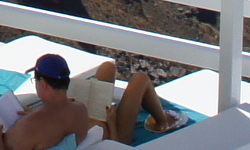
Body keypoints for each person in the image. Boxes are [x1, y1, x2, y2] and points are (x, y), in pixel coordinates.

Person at [55, 55, 192, 144]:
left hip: (92, 121)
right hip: (114, 137)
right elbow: (113, 148)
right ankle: (163, 122)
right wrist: (111, 121)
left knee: (106, 68)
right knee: (140, 79)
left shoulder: (43, 122)